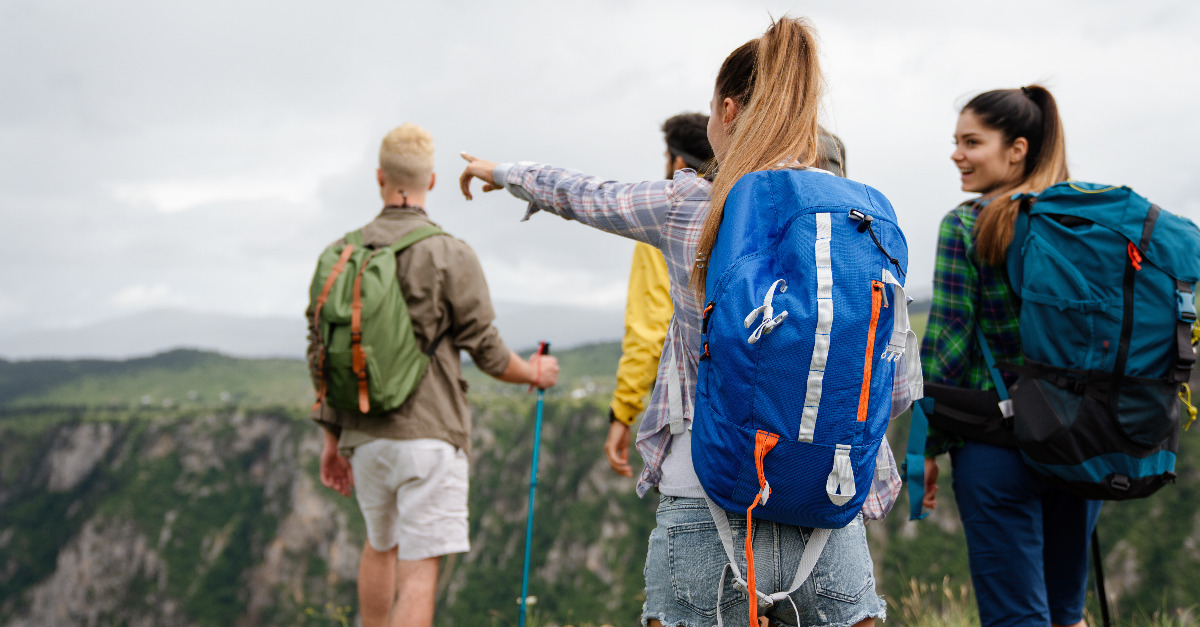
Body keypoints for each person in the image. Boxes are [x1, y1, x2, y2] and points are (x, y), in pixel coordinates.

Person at [461, 18, 885, 627]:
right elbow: (888, 377)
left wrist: (499, 171)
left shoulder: (689, 206)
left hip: (707, 488)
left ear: (729, 111)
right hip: (827, 497)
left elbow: (582, 194)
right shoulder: (855, 217)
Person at [307, 123, 559, 627]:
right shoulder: (449, 253)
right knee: (419, 572)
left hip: (363, 433)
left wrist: (333, 439)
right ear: (434, 181)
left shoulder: (340, 256)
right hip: (430, 435)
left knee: (380, 547)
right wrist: (534, 372)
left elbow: (322, 353)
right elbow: (486, 352)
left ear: (381, 178)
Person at [920, 86, 1101, 627]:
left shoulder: (966, 224)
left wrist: (923, 449)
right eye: (956, 141)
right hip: (1080, 444)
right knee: (1067, 612)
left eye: (972, 141)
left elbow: (947, 345)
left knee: (1016, 618)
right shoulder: (1083, 222)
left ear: (1016, 148)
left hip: (996, 449)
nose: (957, 154)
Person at [605, 114, 849, 478]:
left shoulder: (678, 216)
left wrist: (622, 413)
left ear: (677, 162)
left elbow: (649, 328)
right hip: (810, 436)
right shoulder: (776, 216)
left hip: (703, 429)